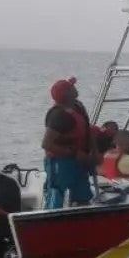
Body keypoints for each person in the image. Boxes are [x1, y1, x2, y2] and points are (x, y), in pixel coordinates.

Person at [42, 77, 97, 208]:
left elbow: (87, 130)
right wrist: (74, 154)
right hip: (60, 163)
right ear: (67, 93)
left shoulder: (78, 107)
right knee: (56, 196)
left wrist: (93, 152)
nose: (75, 87)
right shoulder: (59, 116)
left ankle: (81, 214)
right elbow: (46, 144)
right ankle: (51, 217)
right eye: (71, 86)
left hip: (79, 162)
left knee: (83, 196)